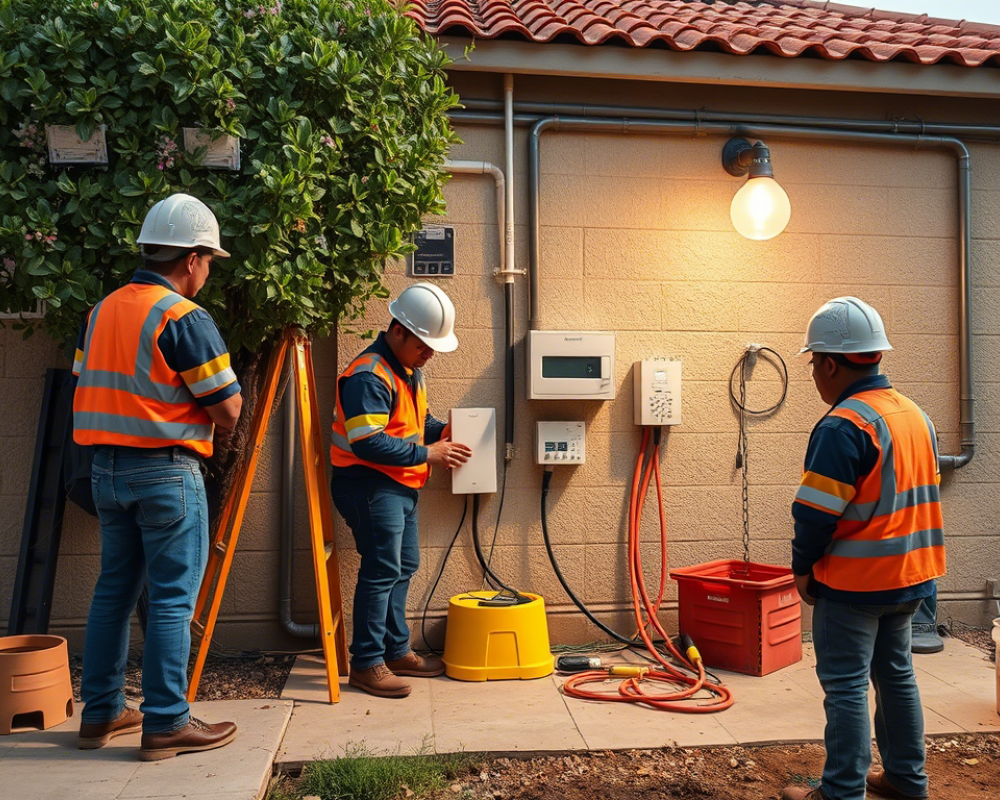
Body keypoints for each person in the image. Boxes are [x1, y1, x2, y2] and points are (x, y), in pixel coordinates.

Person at [73, 193, 243, 760]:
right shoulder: (182, 317)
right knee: (172, 599)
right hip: (165, 473)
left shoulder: (100, 312)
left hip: (105, 472)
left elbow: (89, 380)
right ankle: (166, 721)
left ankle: (99, 714)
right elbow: (229, 408)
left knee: (113, 592)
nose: (207, 274)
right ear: (191, 258)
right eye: (208, 263)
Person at [782, 297, 945, 800]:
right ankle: (904, 780)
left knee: (848, 685)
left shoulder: (843, 425)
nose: (814, 375)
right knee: (896, 676)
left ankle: (842, 792)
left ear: (830, 363)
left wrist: (802, 569)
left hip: (854, 584)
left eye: (813, 364)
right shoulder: (914, 415)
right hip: (911, 578)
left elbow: (814, 514)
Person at [330, 282, 472, 699]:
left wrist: (445, 432)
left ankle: (395, 650)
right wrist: (431, 453)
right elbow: (367, 441)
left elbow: (415, 425)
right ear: (398, 330)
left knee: (402, 565)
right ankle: (367, 663)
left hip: (398, 485)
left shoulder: (408, 371)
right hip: (369, 486)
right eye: (424, 344)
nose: (429, 353)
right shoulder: (368, 375)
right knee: (381, 571)